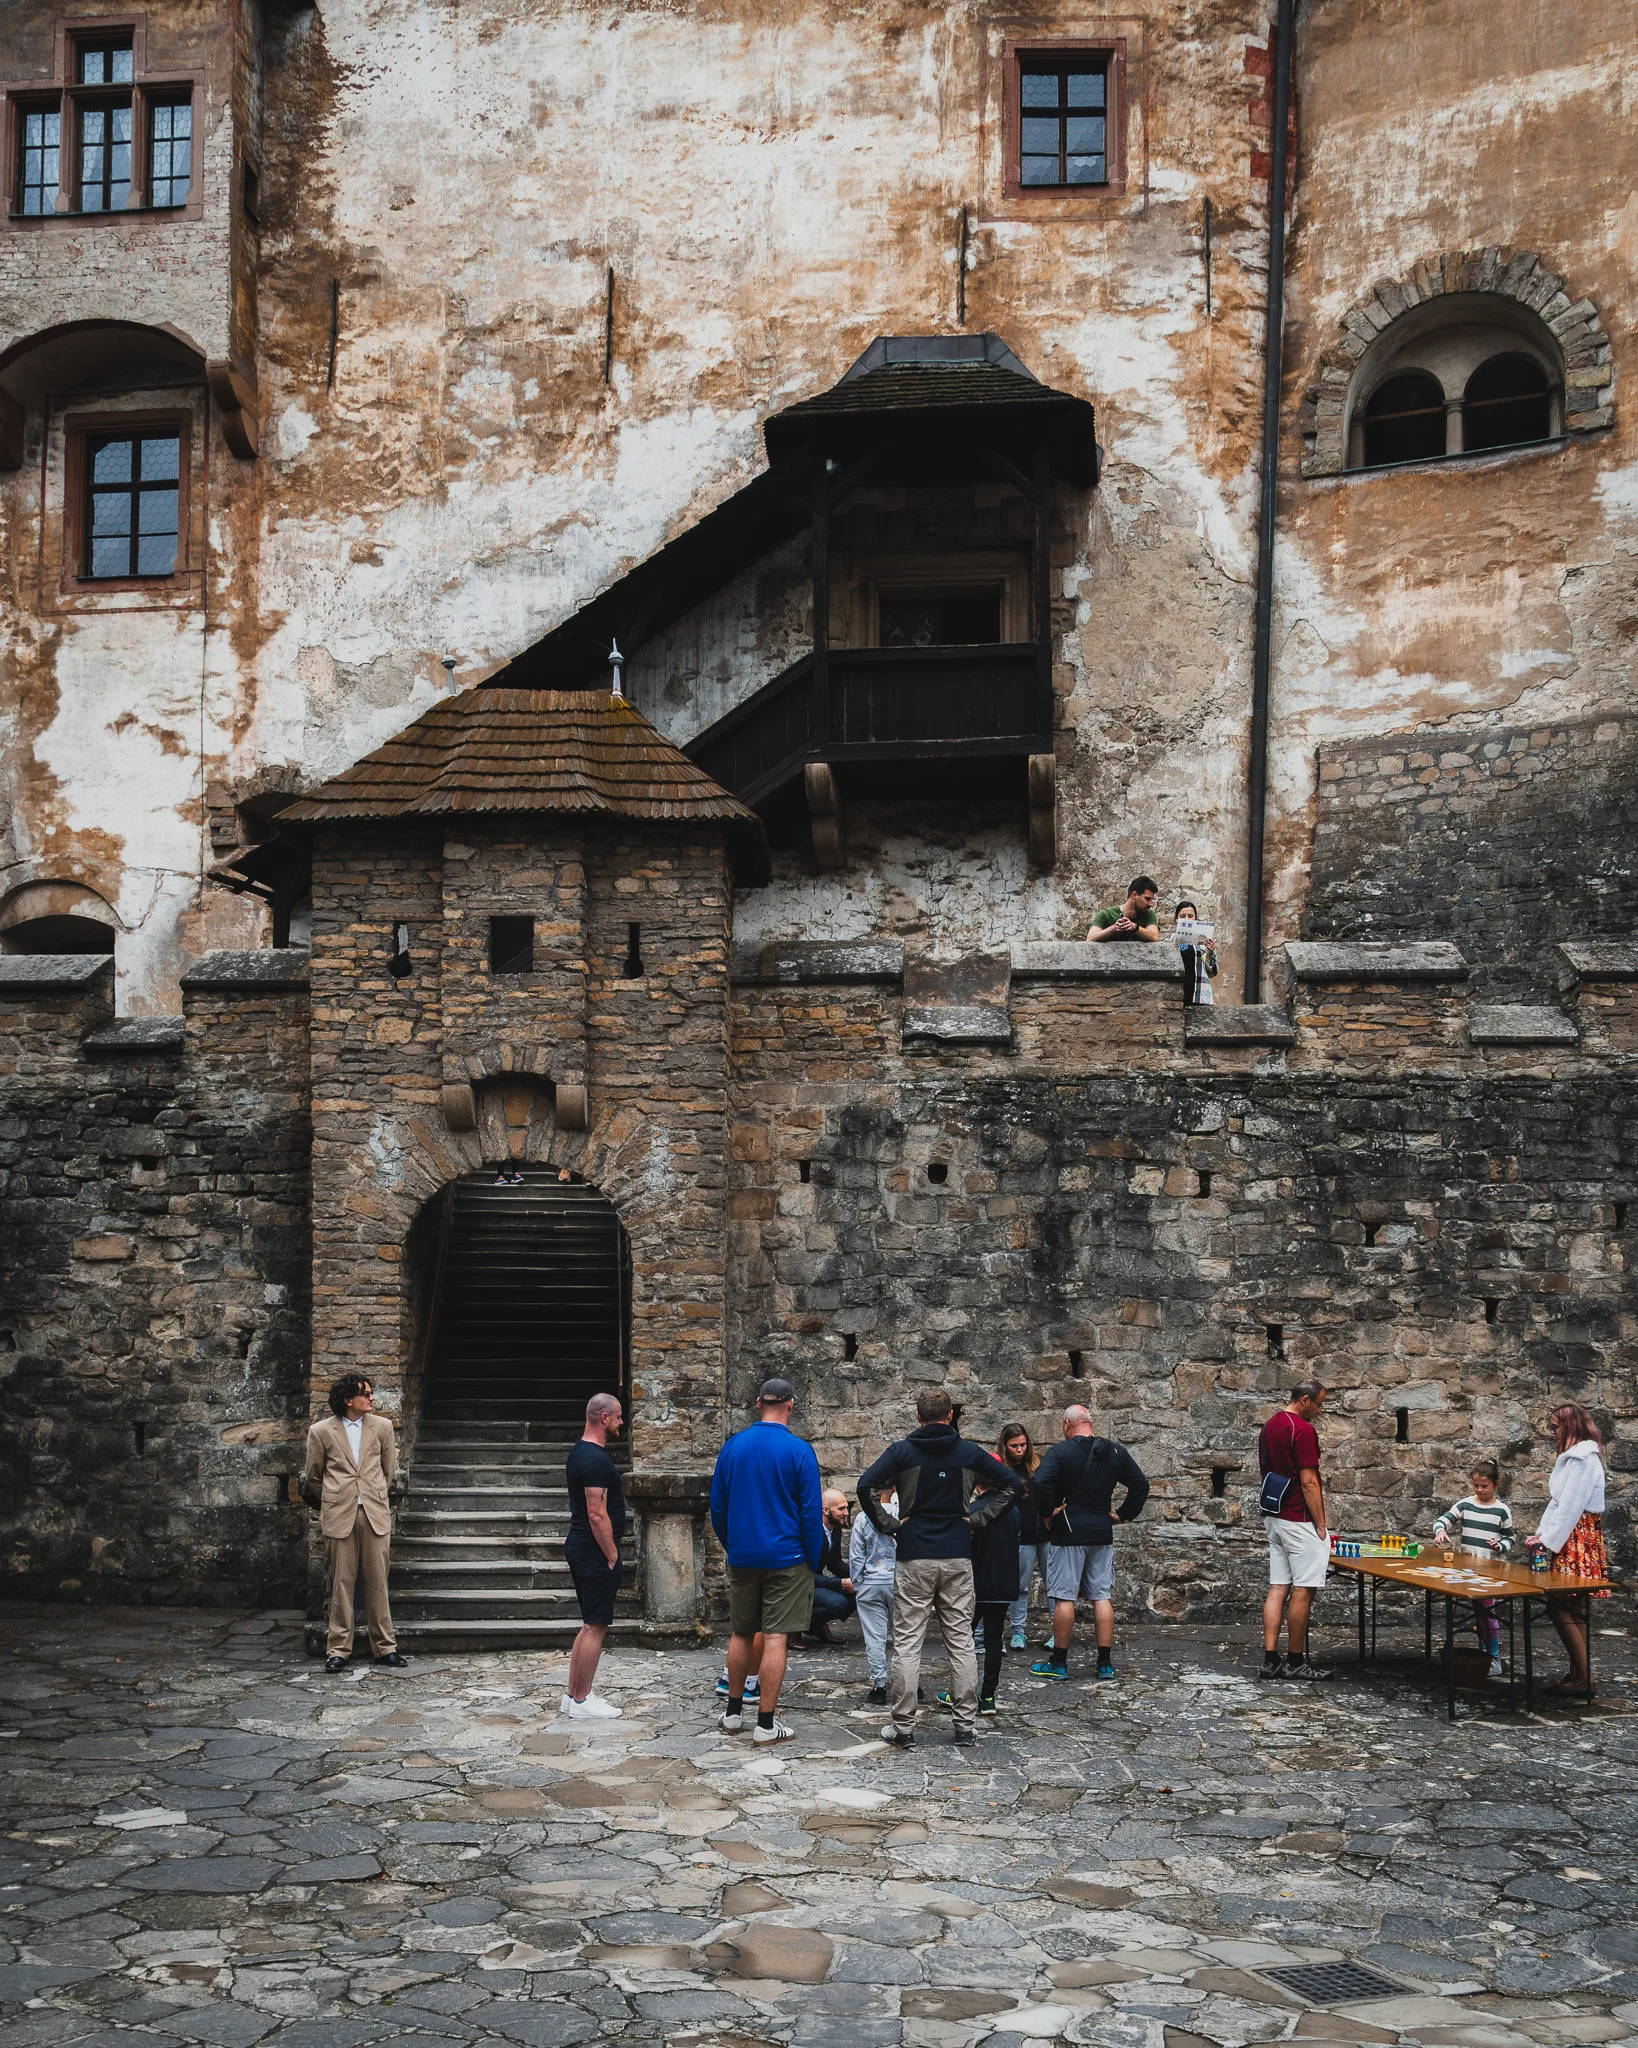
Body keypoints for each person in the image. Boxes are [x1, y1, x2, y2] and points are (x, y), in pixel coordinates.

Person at [858, 1387, 1022, 1748]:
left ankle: (903, 1728)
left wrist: (890, 1525)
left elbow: (865, 1485)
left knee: (907, 1643)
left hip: (914, 1556)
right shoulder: (969, 1453)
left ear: (918, 1417)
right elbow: (1012, 1485)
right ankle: (964, 1726)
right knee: (961, 1642)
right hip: (957, 1557)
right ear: (950, 1416)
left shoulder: (901, 1452)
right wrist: (977, 1520)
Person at [709, 1378, 825, 1743]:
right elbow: (810, 1512)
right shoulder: (800, 1450)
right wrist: (813, 1557)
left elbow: (718, 1505)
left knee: (742, 1632)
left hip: (744, 1555)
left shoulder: (733, 1447)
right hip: (788, 1556)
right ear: (791, 1404)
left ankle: (731, 1715)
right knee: (776, 1636)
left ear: (758, 1402)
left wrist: (734, 1545)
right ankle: (765, 1724)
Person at [1028, 1405, 1150, 1682]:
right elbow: (1140, 1485)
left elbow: (1039, 1482)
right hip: (1101, 1529)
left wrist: (1047, 1512)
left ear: (1067, 1425)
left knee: (1064, 1596)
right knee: (1101, 1595)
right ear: (1090, 1423)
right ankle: (1104, 1663)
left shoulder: (1062, 1452)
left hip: (1069, 1529)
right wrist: (1121, 1515)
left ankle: (1059, 1663)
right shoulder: (1116, 1452)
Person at [301, 1373, 409, 1674]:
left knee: (378, 1582)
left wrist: (370, 1494)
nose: (372, 1398)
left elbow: (388, 1471)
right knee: (342, 1583)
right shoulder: (321, 1431)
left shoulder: (383, 1427)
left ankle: (385, 1648)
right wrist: (337, 1498)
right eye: (366, 1393)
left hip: (373, 1513)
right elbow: (313, 1476)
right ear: (349, 1400)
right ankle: (337, 1650)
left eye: (371, 1393)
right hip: (339, 1515)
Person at [1526, 1403, 1611, 1699]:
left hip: (1576, 1538)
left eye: (1555, 1426)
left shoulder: (1582, 1460)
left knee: (1558, 1604)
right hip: (1571, 1536)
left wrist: (1547, 1541)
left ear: (1570, 1425)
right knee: (1571, 1607)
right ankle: (1577, 1672)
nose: (1552, 1432)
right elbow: (1558, 1504)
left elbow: (1572, 1508)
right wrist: (1540, 1535)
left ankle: (1585, 1677)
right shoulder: (1575, 1458)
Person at [1258, 1379, 1330, 1683]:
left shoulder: (1270, 1425)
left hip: (1273, 1515)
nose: (1320, 1409)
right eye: (1319, 1403)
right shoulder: (1301, 1429)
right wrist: (1321, 1524)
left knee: (1278, 1586)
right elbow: (1309, 1480)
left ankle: (1270, 1659)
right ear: (1304, 1400)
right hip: (1298, 1517)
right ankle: (1296, 1661)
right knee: (1304, 1588)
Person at [560, 1392, 626, 1720]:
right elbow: (596, 1513)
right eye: (618, 1417)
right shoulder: (595, 1460)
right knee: (596, 1626)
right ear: (604, 1418)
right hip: (593, 1550)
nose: (621, 1423)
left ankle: (572, 1695)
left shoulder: (580, 1453)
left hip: (583, 1547)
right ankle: (583, 1700)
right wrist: (612, 1554)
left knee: (588, 1625)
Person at [940, 1473, 1019, 1716]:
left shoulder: (972, 1510)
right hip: (1003, 1583)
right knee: (995, 1640)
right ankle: (988, 1696)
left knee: (963, 1639)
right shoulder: (1013, 1511)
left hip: (974, 1583)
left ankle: (959, 1692)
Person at [1431, 1458, 1515, 1676]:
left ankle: (1493, 1656)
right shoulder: (1466, 1504)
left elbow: (1509, 1537)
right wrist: (1440, 1531)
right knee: (1478, 1612)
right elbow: (1443, 1520)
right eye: (1476, 1486)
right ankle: (1484, 1652)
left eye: (1484, 1486)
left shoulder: (1501, 1510)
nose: (1479, 1490)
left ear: (1496, 1485)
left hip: (1489, 1568)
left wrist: (1500, 1545)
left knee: (1487, 1611)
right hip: (1469, 1568)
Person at [998, 1423, 1045, 1651]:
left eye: (1023, 1445)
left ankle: (1058, 1632)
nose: (1019, 1449)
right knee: (1020, 1585)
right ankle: (1018, 1631)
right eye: (1014, 1446)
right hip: (1022, 1535)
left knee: (1054, 1585)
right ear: (1005, 1447)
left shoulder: (1039, 1464)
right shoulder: (1001, 1470)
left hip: (1046, 1532)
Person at [849, 1488, 898, 1704]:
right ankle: (908, 1683)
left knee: (874, 1638)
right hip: (900, 1581)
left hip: (871, 1581)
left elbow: (856, 1555)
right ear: (894, 1488)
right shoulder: (901, 1514)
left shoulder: (862, 1517)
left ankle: (879, 1686)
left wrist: (857, 1583)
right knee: (906, 1637)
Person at [805, 1488, 857, 1645]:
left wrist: (859, 1576)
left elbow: (834, 1563)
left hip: (817, 1582)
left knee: (861, 1593)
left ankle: (814, 1624)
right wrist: (840, 1584)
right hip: (802, 1584)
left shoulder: (835, 1529)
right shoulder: (810, 1531)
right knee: (838, 1603)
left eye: (846, 1507)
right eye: (841, 1508)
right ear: (825, 1510)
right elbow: (803, 1573)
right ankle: (804, 1625)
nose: (846, 1513)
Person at [1087, 875, 1161, 943]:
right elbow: (1090, 938)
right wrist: (1113, 928)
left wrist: (1135, 927)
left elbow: (1155, 937)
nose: (1151, 904)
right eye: (1147, 899)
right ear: (1134, 895)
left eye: (1152, 900)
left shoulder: (1148, 914)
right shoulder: (1106, 915)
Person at [1174, 899, 1219, 1006]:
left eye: (1190, 916)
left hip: (1200, 996)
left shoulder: (1203, 944)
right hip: (1176, 996)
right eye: (1182, 916)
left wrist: (1210, 952)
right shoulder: (1169, 942)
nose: (1186, 919)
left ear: (1195, 918)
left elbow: (1212, 972)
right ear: (1176, 919)